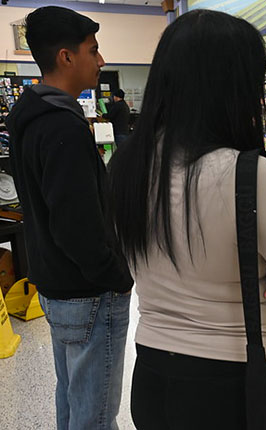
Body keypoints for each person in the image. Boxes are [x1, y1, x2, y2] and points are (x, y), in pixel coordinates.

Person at [107, 10, 266, 429]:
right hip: (242, 382)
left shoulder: (126, 167)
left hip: (154, 375)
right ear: (233, 86)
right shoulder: (248, 174)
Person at [5, 6, 133, 430]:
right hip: (88, 292)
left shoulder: (30, 117)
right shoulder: (62, 126)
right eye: (93, 51)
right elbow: (76, 225)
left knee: (73, 399)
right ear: (65, 56)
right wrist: (117, 275)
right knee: (94, 415)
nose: (100, 61)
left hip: (57, 284)